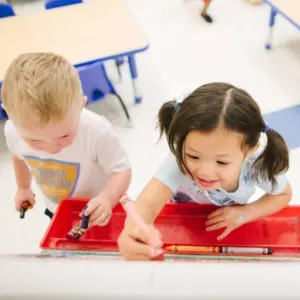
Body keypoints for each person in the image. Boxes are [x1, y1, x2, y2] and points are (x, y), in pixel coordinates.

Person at [117, 82, 292, 260]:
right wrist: (133, 231)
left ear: (249, 151)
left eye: (222, 162)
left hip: (224, 229)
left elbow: (282, 195)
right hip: (179, 220)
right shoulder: (178, 162)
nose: (205, 172)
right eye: (193, 156)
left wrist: (245, 213)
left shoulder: (258, 164)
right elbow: (148, 202)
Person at [1, 52, 132, 227]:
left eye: (64, 136)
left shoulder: (96, 130)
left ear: (81, 105)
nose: (51, 148)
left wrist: (107, 198)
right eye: (35, 141)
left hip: (99, 210)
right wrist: (23, 188)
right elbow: (18, 156)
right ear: (8, 114)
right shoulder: (13, 130)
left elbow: (121, 171)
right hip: (56, 208)